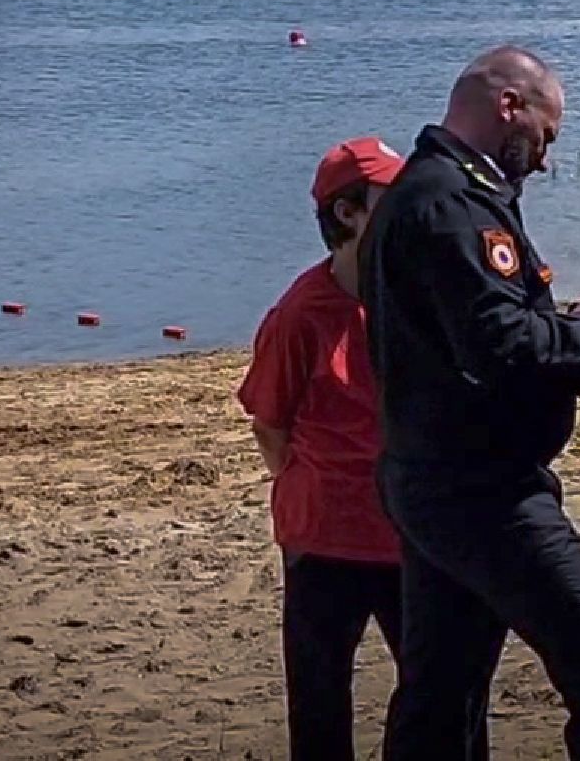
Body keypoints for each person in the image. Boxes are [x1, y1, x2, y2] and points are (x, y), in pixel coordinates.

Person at [360, 45, 580, 761]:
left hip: (437, 476)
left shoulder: (432, 192)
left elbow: (472, 336)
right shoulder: (450, 203)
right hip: (483, 491)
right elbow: (499, 348)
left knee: (443, 694)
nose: (544, 158)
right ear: (510, 108)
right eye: (546, 136)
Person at [238, 137, 407, 761]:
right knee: (319, 706)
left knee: (434, 694)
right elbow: (270, 426)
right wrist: (323, 489)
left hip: (406, 532)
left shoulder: (414, 297)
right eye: (394, 199)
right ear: (349, 214)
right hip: (323, 538)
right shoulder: (300, 314)